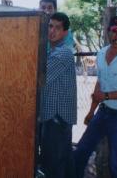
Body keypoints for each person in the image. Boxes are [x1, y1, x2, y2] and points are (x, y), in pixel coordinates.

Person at [74, 16, 117, 178]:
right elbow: (100, 82)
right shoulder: (102, 53)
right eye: (114, 31)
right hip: (103, 112)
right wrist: (91, 112)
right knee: (81, 151)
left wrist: (107, 95)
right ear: (108, 33)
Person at [40, 12, 77, 178]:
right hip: (53, 118)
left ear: (65, 33)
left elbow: (39, 79)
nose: (52, 31)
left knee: (53, 166)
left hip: (57, 119)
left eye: (57, 27)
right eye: (50, 26)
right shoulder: (52, 52)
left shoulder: (62, 54)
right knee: (61, 164)